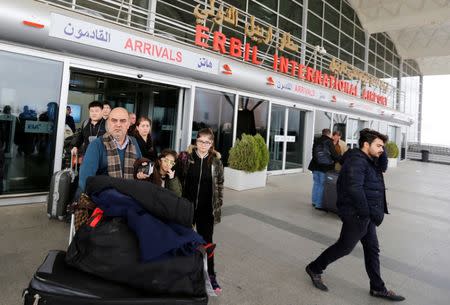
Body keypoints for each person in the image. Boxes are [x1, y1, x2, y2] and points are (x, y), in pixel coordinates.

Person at [305, 129, 405, 302]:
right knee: (344, 247)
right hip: (358, 214)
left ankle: (377, 287)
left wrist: (381, 150)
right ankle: (314, 268)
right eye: (379, 145)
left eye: (383, 146)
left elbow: (383, 167)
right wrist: (365, 213)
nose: (382, 149)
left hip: (367, 214)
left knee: (372, 249)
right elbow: (354, 188)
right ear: (366, 145)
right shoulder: (356, 161)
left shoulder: (370, 159)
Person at [177, 128, 224, 294]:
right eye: (200, 141)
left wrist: (217, 207)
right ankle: (182, 272)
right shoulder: (186, 158)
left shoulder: (216, 162)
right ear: (196, 141)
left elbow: (219, 186)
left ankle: (210, 275)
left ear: (211, 144)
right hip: (186, 207)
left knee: (207, 243)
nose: (203, 145)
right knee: (183, 240)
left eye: (207, 142)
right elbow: (177, 179)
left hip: (206, 210)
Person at [77, 107, 143, 193]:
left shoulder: (134, 142)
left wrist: (143, 172)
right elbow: (85, 181)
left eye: (122, 121)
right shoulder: (96, 145)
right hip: (104, 199)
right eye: (114, 120)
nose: (118, 124)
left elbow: (140, 167)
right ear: (108, 124)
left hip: (131, 195)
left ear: (128, 124)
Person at [308, 128, 340, 210]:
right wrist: (339, 160)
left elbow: (313, 153)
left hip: (315, 166)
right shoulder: (329, 141)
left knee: (316, 184)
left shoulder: (316, 140)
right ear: (329, 134)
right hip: (324, 167)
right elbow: (334, 154)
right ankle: (319, 205)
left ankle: (314, 201)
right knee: (322, 185)